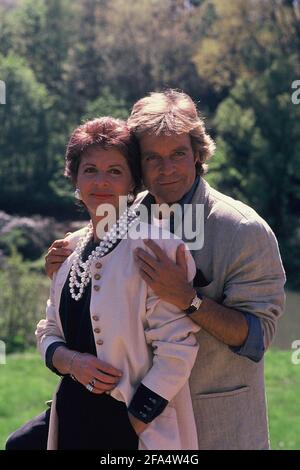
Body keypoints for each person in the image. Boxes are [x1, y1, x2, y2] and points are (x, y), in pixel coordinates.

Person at [43, 90, 286, 450]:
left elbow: (257, 338)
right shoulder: (123, 211)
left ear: (199, 154)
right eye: (152, 158)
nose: (166, 169)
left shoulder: (242, 229)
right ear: (138, 165)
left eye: (178, 154)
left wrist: (189, 299)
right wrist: (65, 266)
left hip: (215, 427)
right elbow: (88, 255)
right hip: (132, 429)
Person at [5, 116, 199, 450]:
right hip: (73, 414)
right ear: (75, 180)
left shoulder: (157, 248)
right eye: (90, 170)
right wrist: (71, 362)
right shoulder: (69, 248)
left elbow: (178, 350)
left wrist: (132, 422)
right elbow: (47, 331)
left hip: (133, 427)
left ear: (132, 183)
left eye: (115, 171)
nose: (101, 182)